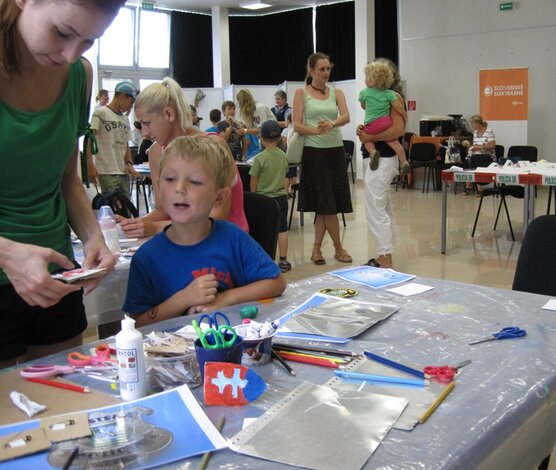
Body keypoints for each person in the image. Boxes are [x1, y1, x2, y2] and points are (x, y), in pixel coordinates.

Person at [0, 0, 123, 366]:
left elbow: (67, 175)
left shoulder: (78, 76)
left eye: (89, 41)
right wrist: (7, 253)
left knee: (64, 405)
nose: (71, 55)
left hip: (57, 276)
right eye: (63, 33)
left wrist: (92, 237)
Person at [122, 135, 286, 326]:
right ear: (158, 185)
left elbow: (276, 283)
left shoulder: (233, 238)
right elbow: (136, 324)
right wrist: (183, 299)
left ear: (220, 197)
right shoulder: (147, 259)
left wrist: (224, 299)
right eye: (170, 179)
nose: (180, 188)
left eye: (195, 181)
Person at [118, 77, 248, 238]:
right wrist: (134, 225)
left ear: (169, 114)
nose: (144, 133)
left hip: (225, 240)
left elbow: (216, 217)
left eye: (147, 123)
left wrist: (155, 227)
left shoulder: (213, 146)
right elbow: (162, 210)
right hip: (186, 236)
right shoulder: (156, 153)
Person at [292, 52, 353, 265]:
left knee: (327, 205)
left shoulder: (337, 93)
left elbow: (346, 116)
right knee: (327, 205)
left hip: (335, 151)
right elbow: (296, 124)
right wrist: (316, 131)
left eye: (328, 69)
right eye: (321, 69)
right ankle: (338, 247)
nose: (326, 73)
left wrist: (332, 124)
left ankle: (317, 249)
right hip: (314, 153)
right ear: (311, 71)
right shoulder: (302, 93)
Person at [357, 59, 406, 269]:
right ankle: (385, 254)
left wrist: (368, 135)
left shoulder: (394, 97)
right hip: (374, 156)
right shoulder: (377, 96)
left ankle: (385, 257)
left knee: (376, 208)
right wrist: (364, 133)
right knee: (381, 205)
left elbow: (397, 130)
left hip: (385, 158)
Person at [249, 121, 291, 273]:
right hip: (280, 197)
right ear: (280, 138)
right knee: (282, 229)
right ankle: (284, 260)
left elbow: (253, 182)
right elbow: (286, 176)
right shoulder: (283, 157)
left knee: (263, 230)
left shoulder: (259, 159)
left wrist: (254, 197)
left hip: (263, 200)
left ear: (261, 138)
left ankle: (264, 260)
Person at [88, 81, 140, 198]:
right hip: (106, 171)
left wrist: (129, 164)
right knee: (113, 207)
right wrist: (90, 164)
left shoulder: (125, 119)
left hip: (122, 171)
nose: (130, 106)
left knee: (125, 207)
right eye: (130, 102)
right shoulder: (101, 113)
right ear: (122, 96)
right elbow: (90, 139)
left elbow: (125, 144)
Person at [359, 60, 410, 175]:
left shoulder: (365, 93)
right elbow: (398, 107)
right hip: (384, 123)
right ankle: (404, 161)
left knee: (375, 191)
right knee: (395, 143)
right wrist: (405, 115)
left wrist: (368, 136)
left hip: (384, 154)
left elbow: (397, 130)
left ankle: (373, 152)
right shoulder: (389, 94)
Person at [237, 89, 277, 160]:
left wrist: (245, 131)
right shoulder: (251, 112)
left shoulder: (259, 108)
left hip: (273, 140)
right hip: (265, 141)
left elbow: (261, 129)